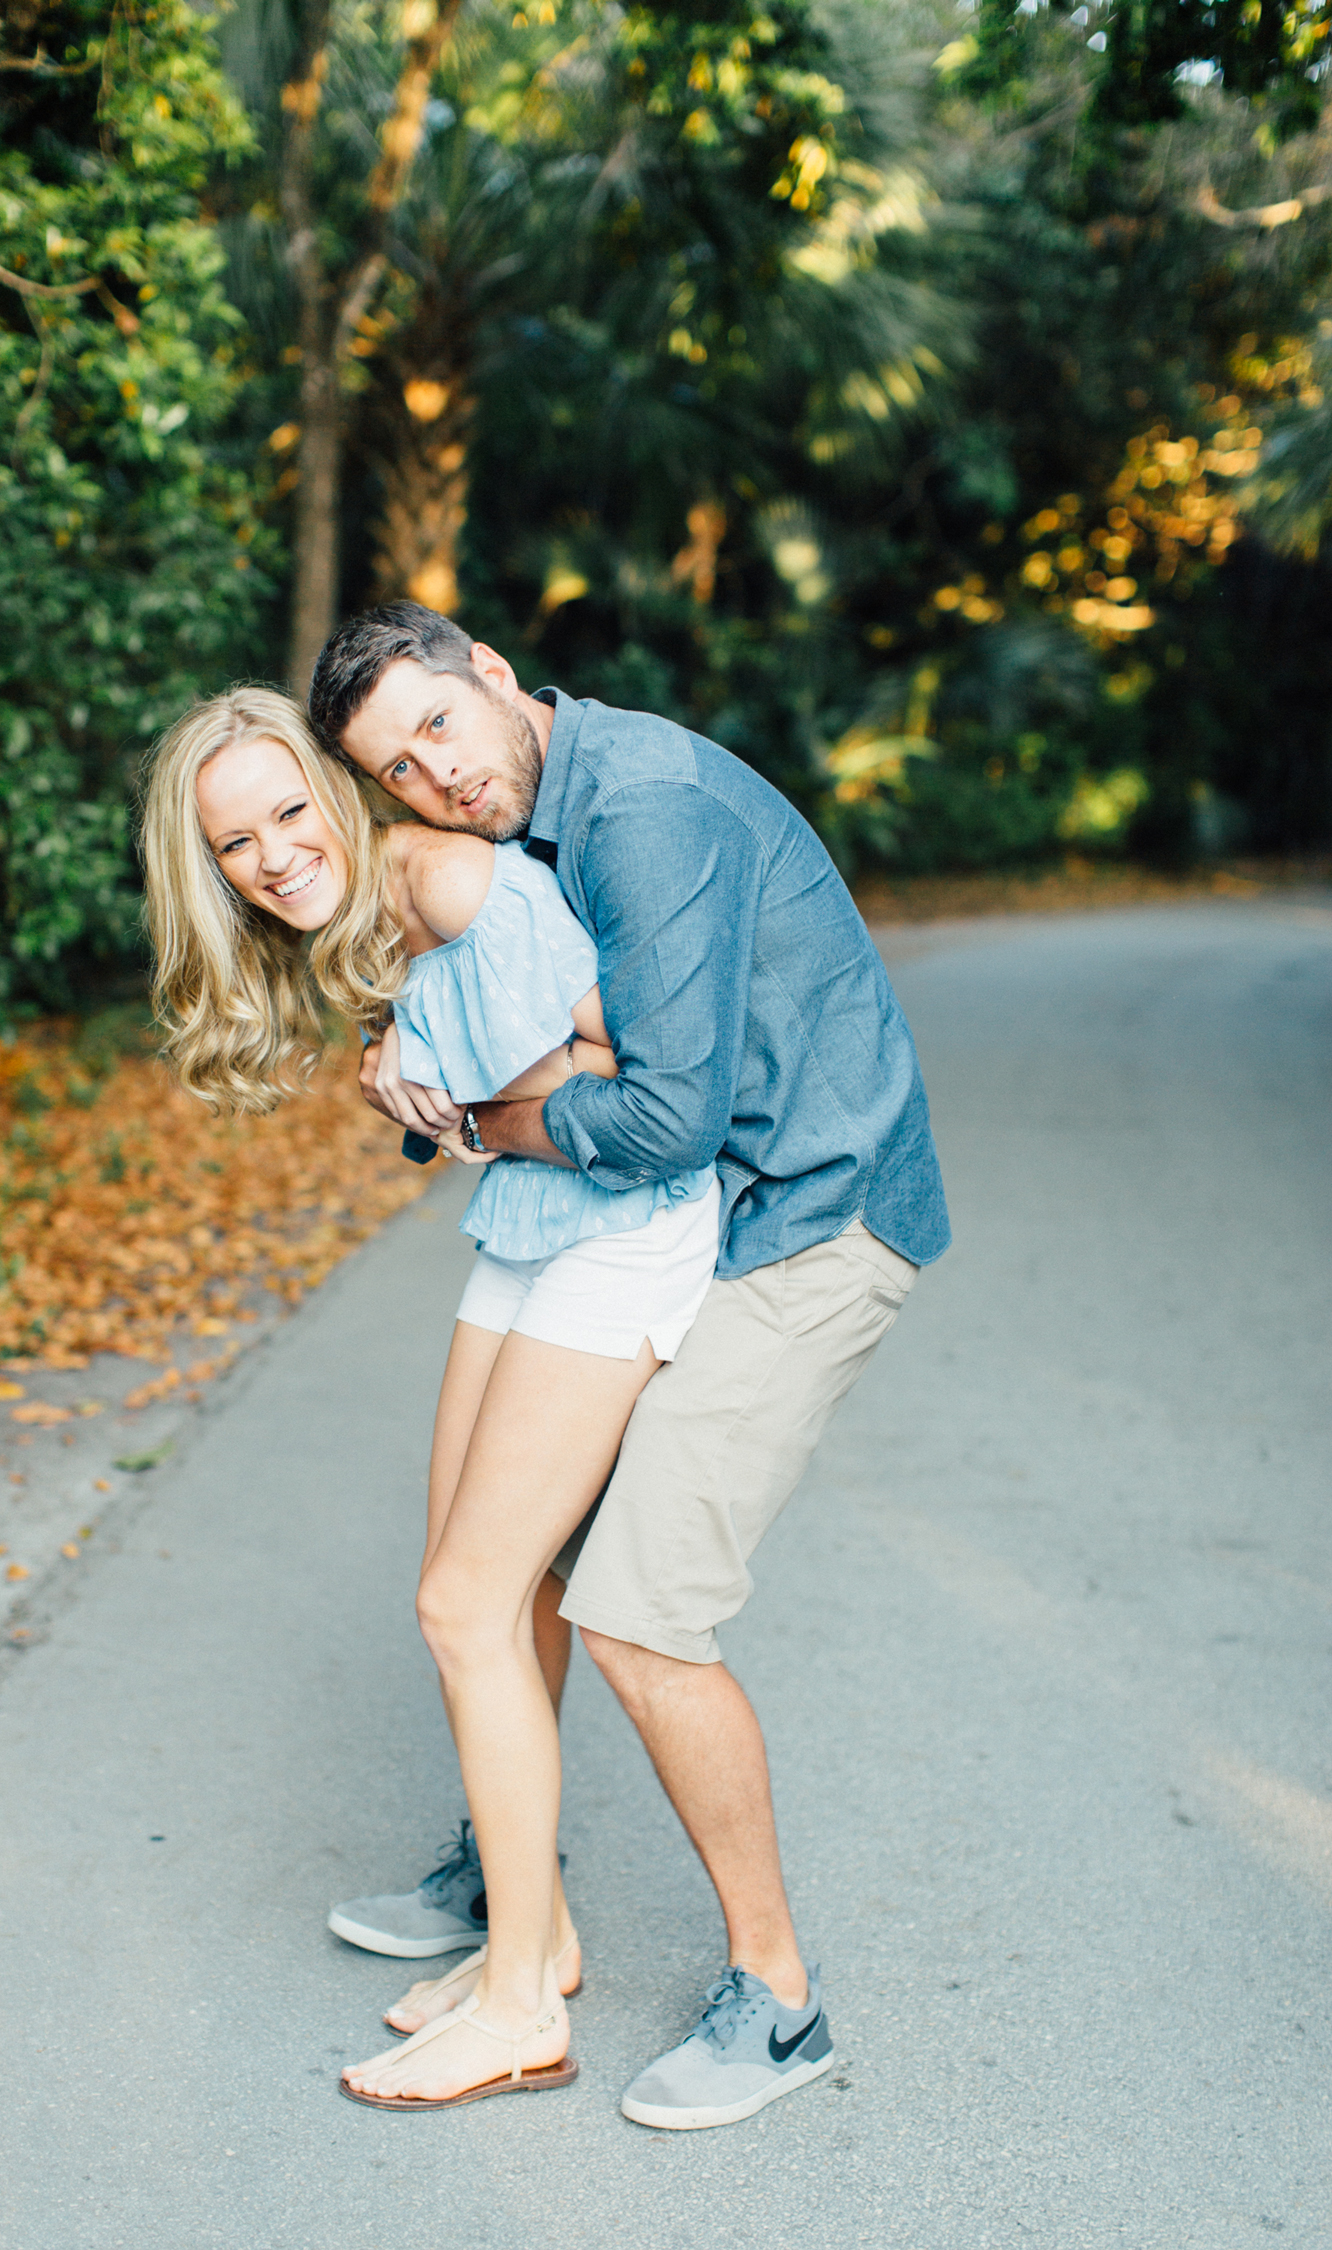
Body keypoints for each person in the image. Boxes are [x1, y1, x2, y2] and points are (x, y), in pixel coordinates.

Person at [313, 601, 951, 2132]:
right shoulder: (543, 810)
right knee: (513, 1558)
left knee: (643, 1612)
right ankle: (512, 1871)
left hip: (803, 1220)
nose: (438, 778)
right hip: (704, 1214)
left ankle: (777, 1999)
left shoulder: (641, 810)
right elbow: (518, 1021)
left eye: (441, 728)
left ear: (485, 667)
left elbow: (660, 1116)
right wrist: (434, 1084)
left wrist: (489, 1122)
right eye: (400, 769)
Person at [138, 686, 725, 2111]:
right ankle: (542, 1936)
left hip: (623, 1223)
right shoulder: (370, 915)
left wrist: (453, 1098)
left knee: (464, 1603)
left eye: (287, 811)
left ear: (335, 794)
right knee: (483, 1592)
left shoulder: (448, 874)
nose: (272, 855)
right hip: (530, 1221)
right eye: (234, 844)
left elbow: (626, 1064)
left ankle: (522, 2007)